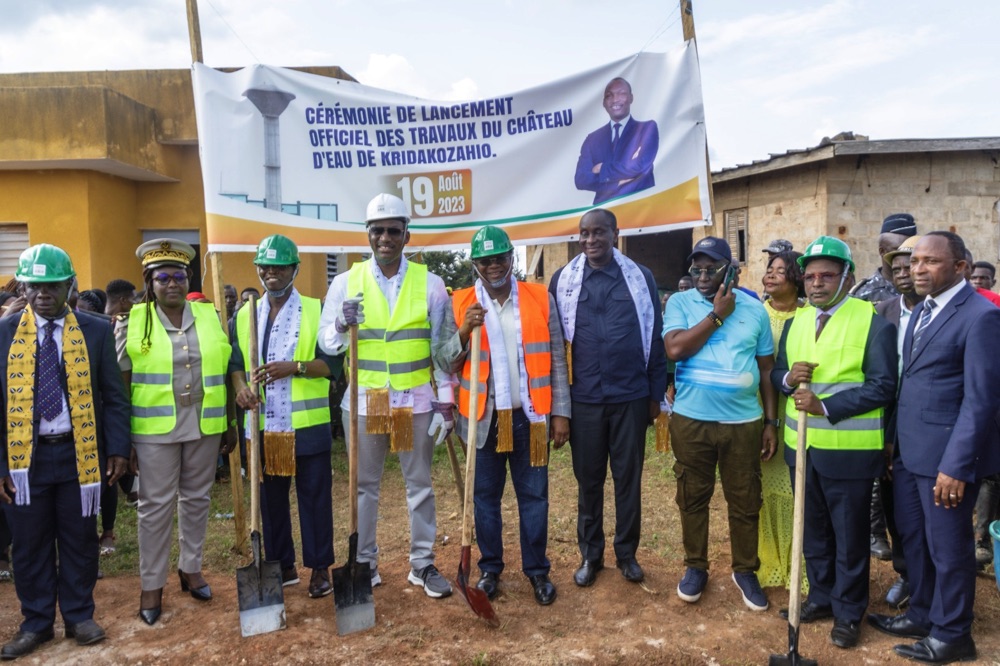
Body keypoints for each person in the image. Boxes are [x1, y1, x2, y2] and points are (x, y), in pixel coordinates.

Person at [869, 232, 1000, 663]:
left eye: (930, 262)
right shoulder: (921, 310)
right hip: (909, 453)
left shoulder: (980, 316)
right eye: (915, 261)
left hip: (946, 460)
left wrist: (956, 467)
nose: (918, 269)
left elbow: (980, 401)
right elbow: (912, 385)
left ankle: (953, 633)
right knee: (915, 541)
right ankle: (923, 612)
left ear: (961, 267)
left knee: (949, 548)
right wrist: (893, 443)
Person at [319, 193, 456, 598]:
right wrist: (342, 326)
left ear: (406, 235)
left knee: (420, 485)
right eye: (377, 231)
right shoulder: (345, 283)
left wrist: (445, 404)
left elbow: (444, 350)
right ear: (367, 235)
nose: (385, 238)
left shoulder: (430, 285)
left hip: (414, 400)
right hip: (366, 401)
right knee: (364, 486)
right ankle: (364, 564)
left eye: (393, 231)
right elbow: (327, 343)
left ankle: (423, 564)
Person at [0, 244, 130, 658]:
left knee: (79, 538)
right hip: (24, 461)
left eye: (52, 284)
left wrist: (118, 450)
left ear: (69, 285)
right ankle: (36, 623)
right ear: (23, 286)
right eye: (34, 284)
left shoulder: (95, 329)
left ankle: (78, 615)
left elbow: (114, 396)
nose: (42, 293)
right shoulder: (2, 334)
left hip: (81, 454)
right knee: (29, 542)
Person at [772, 236, 897, 649]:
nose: (816, 284)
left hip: (850, 454)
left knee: (850, 537)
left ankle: (847, 611)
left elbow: (882, 386)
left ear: (847, 276)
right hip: (801, 450)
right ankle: (821, 596)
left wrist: (825, 406)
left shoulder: (873, 321)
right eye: (809, 276)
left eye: (827, 275)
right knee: (813, 532)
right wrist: (789, 380)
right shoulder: (796, 322)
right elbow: (778, 373)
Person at [444, 226, 570, 605]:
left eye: (500, 258)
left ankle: (537, 572)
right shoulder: (460, 302)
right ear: (476, 265)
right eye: (485, 260)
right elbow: (444, 361)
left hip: (529, 418)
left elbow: (557, 360)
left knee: (535, 497)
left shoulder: (539, 296)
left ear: (511, 258)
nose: (494, 266)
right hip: (481, 420)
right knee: (484, 499)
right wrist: (464, 331)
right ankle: (490, 570)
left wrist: (561, 413)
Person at [117, 238, 237, 626]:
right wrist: (125, 440)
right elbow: (120, 385)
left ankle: (191, 568)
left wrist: (229, 423)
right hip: (154, 431)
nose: (173, 283)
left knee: (198, 498)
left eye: (179, 275)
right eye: (163, 277)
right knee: (155, 507)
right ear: (149, 282)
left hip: (204, 424)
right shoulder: (132, 322)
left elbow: (224, 367)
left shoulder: (208, 315)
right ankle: (151, 585)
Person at [550, 208, 667, 587]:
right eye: (584, 234)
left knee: (628, 478)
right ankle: (591, 554)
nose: (590, 241)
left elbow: (654, 337)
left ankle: (627, 554)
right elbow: (556, 347)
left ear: (615, 234)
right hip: (583, 399)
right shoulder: (563, 281)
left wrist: (654, 394)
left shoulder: (640, 278)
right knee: (588, 480)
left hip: (630, 397)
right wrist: (560, 408)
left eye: (599, 233)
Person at [663, 236, 776, 611]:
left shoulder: (755, 310)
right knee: (692, 497)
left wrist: (771, 422)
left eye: (712, 267)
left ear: (732, 269)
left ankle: (745, 570)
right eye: (697, 267)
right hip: (692, 421)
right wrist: (717, 314)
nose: (703, 275)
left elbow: (766, 370)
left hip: (743, 422)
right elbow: (676, 349)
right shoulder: (680, 302)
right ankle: (695, 566)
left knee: (745, 500)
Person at [230, 235, 338, 598]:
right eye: (265, 266)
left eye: (279, 266)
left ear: (295, 268)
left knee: (314, 499)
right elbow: (234, 365)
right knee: (270, 501)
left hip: (306, 426)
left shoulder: (316, 309)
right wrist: (240, 388)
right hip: (262, 427)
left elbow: (333, 367)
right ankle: (281, 564)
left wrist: (296, 367)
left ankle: (320, 567)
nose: (271, 272)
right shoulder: (245, 314)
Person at [852, 213, 917, 563]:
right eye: (894, 254)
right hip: (882, 408)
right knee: (887, 490)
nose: (904, 268)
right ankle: (896, 558)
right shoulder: (872, 298)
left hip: (924, 418)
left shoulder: (934, 299)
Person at [875, 235, 924, 610]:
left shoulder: (940, 311)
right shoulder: (884, 311)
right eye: (898, 268)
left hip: (928, 424)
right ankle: (907, 574)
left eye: (911, 266)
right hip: (888, 420)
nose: (904, 274)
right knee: (896, 505)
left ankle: (932, 584)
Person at [757, 250, 804, 590]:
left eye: (780, 271)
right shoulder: (756, 315)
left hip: (799, 410)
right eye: (769, 269)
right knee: (766, 487)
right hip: (760, 412)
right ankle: (770, 559)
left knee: (796, 488)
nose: (771, 275)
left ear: (796, 278)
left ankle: (798, 561)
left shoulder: (809, 317)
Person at [574, 78, 659, 205]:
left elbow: (640, 166)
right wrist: (616, 183)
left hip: (641, 210)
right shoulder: (592, 139)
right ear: (604, 103)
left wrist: (602, 168)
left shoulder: (647, 129)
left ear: (631, 98)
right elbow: (581, 179)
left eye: (622, 94)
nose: (615, 99)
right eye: (609, 95)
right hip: (603, 217)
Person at [851, 212, 917, 304]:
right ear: (882, 251)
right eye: (897, 250)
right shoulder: (864, 294)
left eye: (910, 250)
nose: (905, 255)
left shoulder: (923, 287)